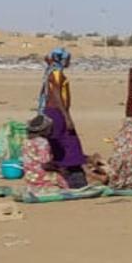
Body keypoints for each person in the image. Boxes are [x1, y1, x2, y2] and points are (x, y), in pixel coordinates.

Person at [37, 48, 89, 187]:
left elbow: (48, 60)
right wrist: (66, 116)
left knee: (58, 141)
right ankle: (72, 177)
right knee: (69, 141)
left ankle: (64, 173)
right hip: (56, 112)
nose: (69, 62)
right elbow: (56, 95)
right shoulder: (56, 73)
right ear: (63, 60)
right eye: (68, 59)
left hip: (53, 111)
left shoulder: (52, 70)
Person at [21, 115, 67, 192]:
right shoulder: (42, 142)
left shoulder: (26, 141)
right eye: (50, 128)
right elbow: (45, 164)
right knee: (59, 177)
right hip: (41, 175)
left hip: (30, 176)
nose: (51, 131)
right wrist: (59, 170)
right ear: (44, 130)